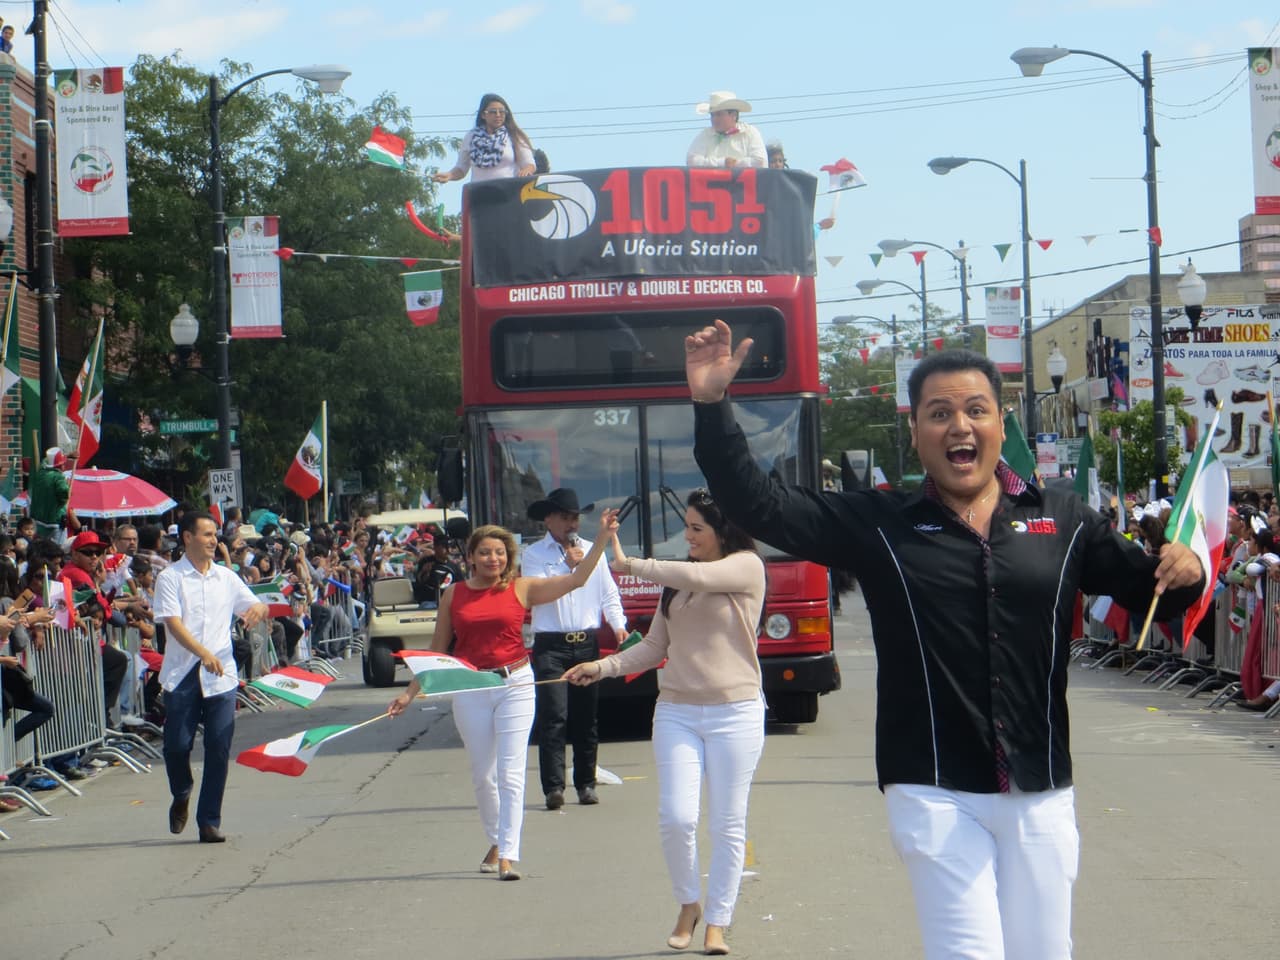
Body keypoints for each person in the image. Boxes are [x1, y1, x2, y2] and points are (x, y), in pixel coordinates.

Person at [681, 319, 1206, 960]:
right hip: (931, 788)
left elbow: (1154, 591)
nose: (960, 426)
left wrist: (1189, 567)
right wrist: (712, 406)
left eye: (976, 410)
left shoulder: (1064, 517)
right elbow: (758, 504)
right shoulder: (878, 524)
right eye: (939, 413)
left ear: (999, 421)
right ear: (915, 431)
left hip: (1040, 790)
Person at [564, 489, 766, 957]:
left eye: (697, 528)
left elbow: (702, 575)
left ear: (723, 531)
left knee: (728, 824)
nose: (688, 536)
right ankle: (688, 904)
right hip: (677, 710)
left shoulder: (746, 567)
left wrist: (628, 563)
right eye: (687, 527)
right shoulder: (678, 582)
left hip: (735, 712)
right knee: (677, 819)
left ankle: (718, 922)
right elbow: (654, 647)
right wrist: (603, 667)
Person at [388, 509, 620, 882]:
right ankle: (496, 840)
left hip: (515, 683)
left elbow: (577, 579)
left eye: (499, 553)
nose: (492, 559)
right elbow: (438, 648)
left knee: (512, 774)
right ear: (471, 558)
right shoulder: (454, 595)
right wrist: (410, 692)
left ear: (508, 558)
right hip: (470, 686)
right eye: (484, 553)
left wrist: (603, 539)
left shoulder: (521, 588)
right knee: (484, 776)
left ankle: (508, 853)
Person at [153, 512, 269, 843]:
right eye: (205, 534)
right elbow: (172, 624)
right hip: (183, 674)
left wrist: (258, 610)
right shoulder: (171, 578)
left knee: (219, 747)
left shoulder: (225, 577)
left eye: (215, 534)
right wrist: (203, 653)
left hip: (221, 677)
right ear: (187, 537)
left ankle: (209, 821)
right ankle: (182, 791)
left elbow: (254, 604)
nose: (212, 540)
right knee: (177, 747)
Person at [522, 488, 626, 809]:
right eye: (565, 517)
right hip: (551, 644)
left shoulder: (593, 551)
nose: (572, 524)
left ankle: (585, 783)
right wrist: (570, 570)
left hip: (585, 641)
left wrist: (618, 624)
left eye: (575, 518)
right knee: (554, 716)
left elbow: (608, 591)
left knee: (586, 717)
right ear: (548, 519)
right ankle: (554, 787)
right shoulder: (534, 555)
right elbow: (538, 594)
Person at [433, 93, 534, 184]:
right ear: (483, 115)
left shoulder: (514, 136)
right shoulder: (471, 137)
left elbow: (529, 164)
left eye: (502, 112)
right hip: (479, 196)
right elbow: (461, 168)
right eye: (493, 112)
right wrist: (449, 175)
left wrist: (526, 171)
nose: (498, 115)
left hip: (508, 195)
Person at [686, 91, 766, 169]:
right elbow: (691, 161)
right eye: (712, 115)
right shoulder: (706, 134)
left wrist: (735, 164)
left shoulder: (749, 132)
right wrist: (722, 163)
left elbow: (760, 162)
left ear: (734, 115)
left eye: (719, 114)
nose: (714, 119)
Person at [29, 448, 78, 543]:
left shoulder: (41, 472)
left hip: (38, 521)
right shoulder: (58, 477)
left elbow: (46, 460)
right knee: (57, 551)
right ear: (60, 466)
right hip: (54, 522)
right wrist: (68, 491)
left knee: (40, 549)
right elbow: (63, 493)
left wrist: (67, 456)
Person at [412, 535, 462, 606]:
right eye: (444, 547)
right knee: (427, 606)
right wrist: (425, 572)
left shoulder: (454, 566)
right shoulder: (426, 562)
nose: (448, 550)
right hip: (429, 600)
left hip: (448, 601)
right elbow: (419, 582)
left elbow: (460, 586)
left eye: (450, 547)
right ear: (435, 547)